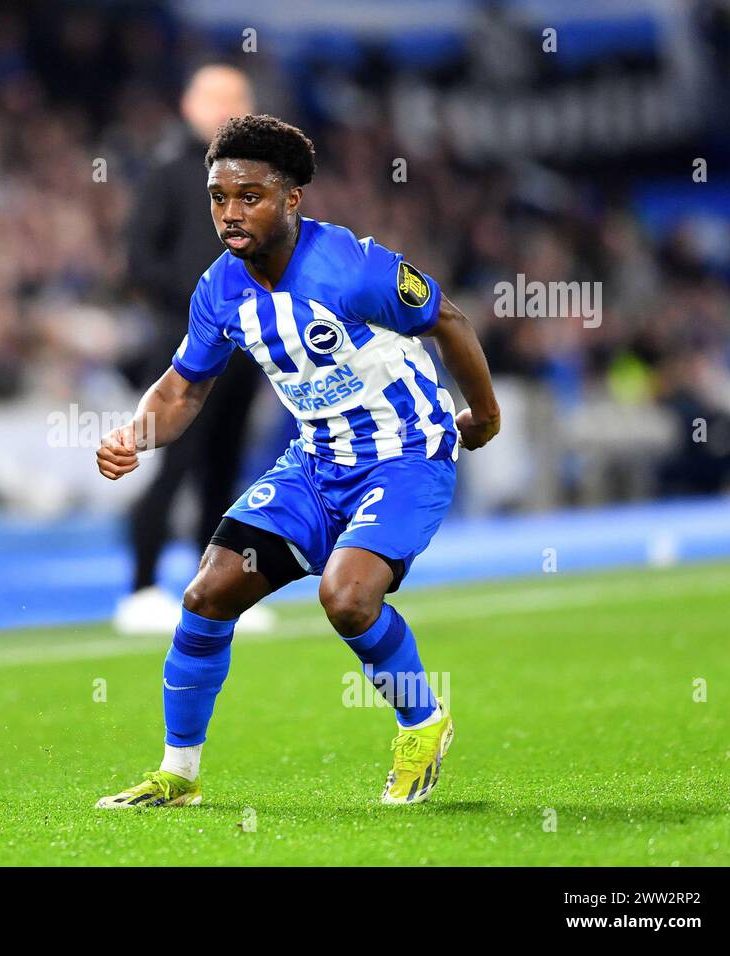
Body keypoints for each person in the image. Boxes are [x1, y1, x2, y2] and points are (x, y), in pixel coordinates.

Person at [95, 115, 501, 808]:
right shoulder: (220, 289)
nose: (230, 212)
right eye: (219, 197)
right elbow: (185, 387)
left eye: (248, 195)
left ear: (291, 199)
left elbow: (450, 321)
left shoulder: (353, 268)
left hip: (404, 457)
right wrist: (137, 434)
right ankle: (179, 776)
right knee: (208, 592)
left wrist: (485, 417)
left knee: (345, 596)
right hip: (317, 465)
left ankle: (422, 720)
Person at [115, 64, 275, 635]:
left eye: (240, 100)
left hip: (245, 344)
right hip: (186, 344)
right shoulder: (169, 171)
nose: (232, 111)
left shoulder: (255, 180)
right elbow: (138, 259)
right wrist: (198, 304)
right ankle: (140, 587)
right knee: (176, 462)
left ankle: (213, 589)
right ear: (191, 104)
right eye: (222, 100)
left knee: (224, 467)